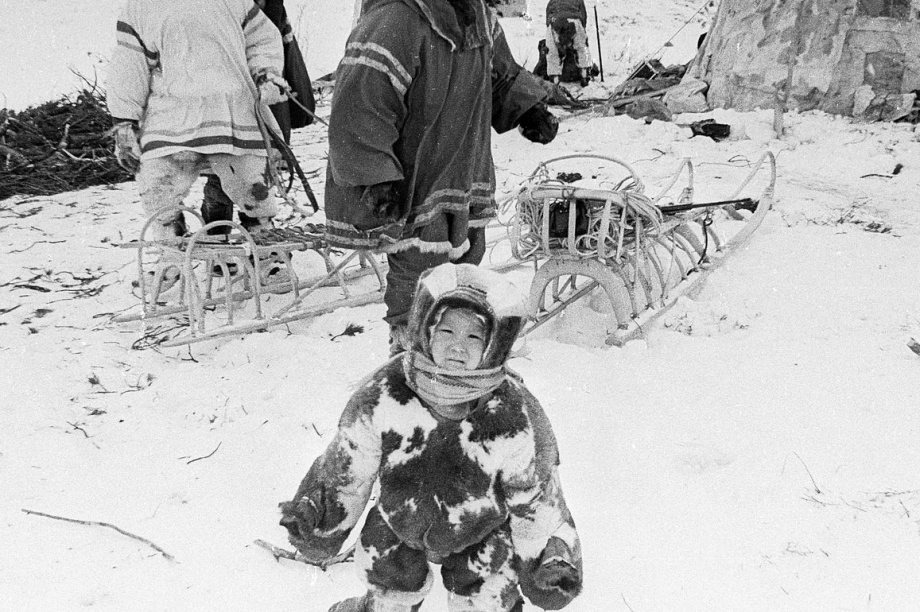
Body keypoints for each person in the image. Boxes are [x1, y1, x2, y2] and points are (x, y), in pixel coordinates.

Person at [279, 262, 583, 612]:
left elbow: (536, 494)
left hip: (481, 526)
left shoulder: (512, 413)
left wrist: (551, 556)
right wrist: (317, 514)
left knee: (489, 595)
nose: (458, 347)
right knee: (388, 585)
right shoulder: (386, 394)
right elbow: (348, 467)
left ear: (494, 345)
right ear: (425, 331)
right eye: (447, 332)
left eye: (474, 337)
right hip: (400, 519)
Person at [322, 0, 560, 353]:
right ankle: (411, 352)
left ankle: (455, 356)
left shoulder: (477, 16)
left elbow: (500, 75)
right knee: (418, 273)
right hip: (416, 177)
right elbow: (362, 100)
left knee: (466, 264)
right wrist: (376, 176)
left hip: (465, 168)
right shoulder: (396, 20)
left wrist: (528, 108)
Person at [107, 0, 289, 284]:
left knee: (251, 185)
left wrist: (267, 73)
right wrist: (124, 121)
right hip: (173, 113)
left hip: (231, 105)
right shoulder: (140, 7)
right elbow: (129, 64)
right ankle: (171, 251)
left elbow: (261, 39)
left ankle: (267, 252)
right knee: (157, 184)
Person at [200, 0, 317, 243]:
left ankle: (260, 240)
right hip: (224, 102)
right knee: (221, 169)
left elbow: (286, 53)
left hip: (265, 101)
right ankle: (217, 241)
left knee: (259, 172)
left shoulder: (272, 8)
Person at [545, 0, 593, 86]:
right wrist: (582, 29)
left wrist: (550, 26)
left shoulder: (552, 1)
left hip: (555, 20)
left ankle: (555, 80)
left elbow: (548, 15)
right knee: (581, 48)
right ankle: (584, 75)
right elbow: (584, 16)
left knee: (553, 51)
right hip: (574, 19)